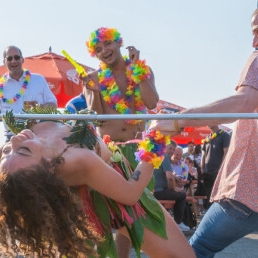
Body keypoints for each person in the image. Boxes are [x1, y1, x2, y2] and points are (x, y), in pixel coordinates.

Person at [0, 108, 195, 258]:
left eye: (5, 151)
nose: (14, 141)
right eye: (23, 151)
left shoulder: (28, 135)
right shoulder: (77, 160)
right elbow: (130, 193)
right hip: (115, 196)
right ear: (49, 168)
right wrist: (156, 137)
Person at [149, 8, 258, 257]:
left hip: (247, 192)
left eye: (257, 32)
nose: (254, 41)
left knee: (194, 250)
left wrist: (178, 121)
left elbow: (242, 103)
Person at [83, 27, 159, 256]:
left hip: (137, 151)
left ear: (118, 43)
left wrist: (139, 71)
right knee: (101, 213)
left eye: (108, 44)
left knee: (131, 217)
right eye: (98, 49)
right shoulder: (94, 77)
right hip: (108, 150)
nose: (104, 51)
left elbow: (152, 102)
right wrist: (92, 89)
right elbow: (94, 114)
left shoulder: (140, 69)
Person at [0, 46, 57, 141]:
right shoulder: (1, 86)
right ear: (4, 62)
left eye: (16, 57)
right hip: (11, 138)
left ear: (22, 59)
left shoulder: (38, 79)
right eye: (9, 58)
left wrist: (38, 107)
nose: (13, 61)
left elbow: (53, 105)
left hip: (38, 137)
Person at [153, 142, 190, 232]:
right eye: (170, 148)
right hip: (159, 192)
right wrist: (175, 188)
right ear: (165, 148)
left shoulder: (158, 155)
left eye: (173, 149)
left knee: (178, 194)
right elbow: (169, 177)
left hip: (153, 190)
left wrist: (175, 177)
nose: (172, 151)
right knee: (182, 194)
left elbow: (167, 175)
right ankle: (178, 222)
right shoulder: (165, 157)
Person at [201, 125, 231, 209]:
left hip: (218, 172)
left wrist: (221, 169)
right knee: (208, 196)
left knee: (219, 197)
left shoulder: (224, 135)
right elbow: (203, 155)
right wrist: (202, 168)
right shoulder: (207, 138)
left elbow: (226, 153)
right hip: (207, 173)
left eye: (211, 120)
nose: (208, 123)